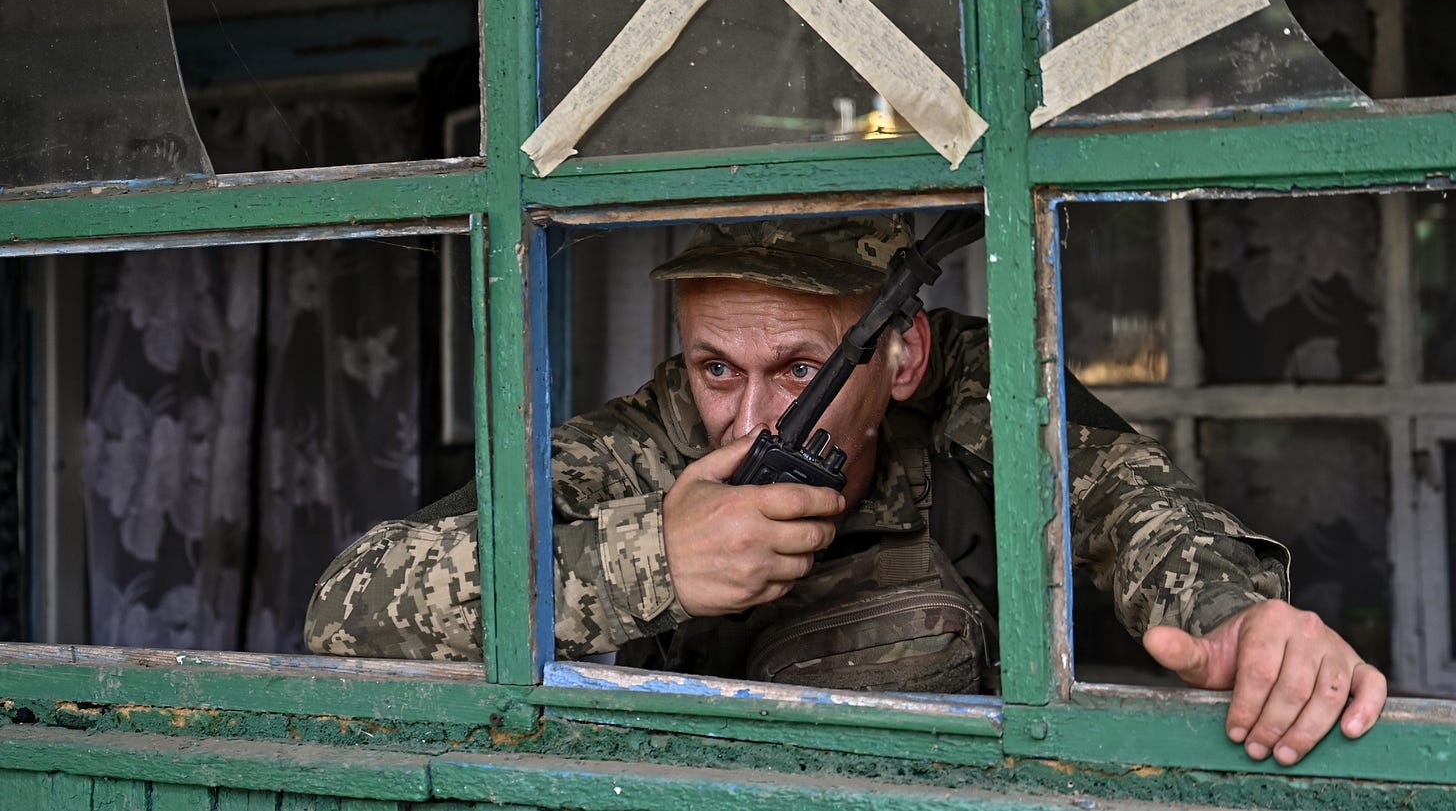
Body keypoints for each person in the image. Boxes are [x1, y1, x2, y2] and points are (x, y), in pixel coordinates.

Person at [304, 213, 1386, 766]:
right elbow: (347, 610)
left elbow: (1126, 505)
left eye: (795, 371)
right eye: (715, 366)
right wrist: (646, 561)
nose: (750, 418)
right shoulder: (650, 437)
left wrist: (1239, 621)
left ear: (899, 358)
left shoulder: (972, 391)